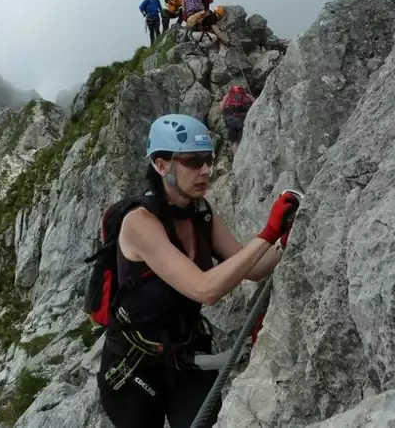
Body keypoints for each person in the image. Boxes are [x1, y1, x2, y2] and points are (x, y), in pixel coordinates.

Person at [96, 114, 299, 428]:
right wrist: (267, 234)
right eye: (193, 161)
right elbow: (205, 289)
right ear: (162, 165)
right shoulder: (139, 223)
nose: (206, 170)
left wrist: (284, 239)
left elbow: (254, 268)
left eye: (208, 159)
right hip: (133, 367)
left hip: (186, 357)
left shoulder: (202, 214)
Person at [219, 85, 255, 155]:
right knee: (243, 141)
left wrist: (222, 101)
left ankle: (236, 158)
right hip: (243, 122)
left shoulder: (228, 96)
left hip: (231, 122)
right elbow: (256, 103)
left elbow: (221, 108)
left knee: (234, 142)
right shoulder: (246, 96)